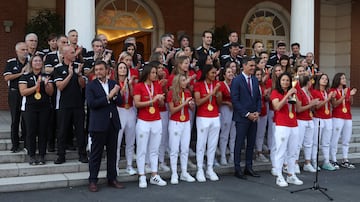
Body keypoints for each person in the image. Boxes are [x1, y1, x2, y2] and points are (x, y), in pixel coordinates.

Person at [86, 60, 125, 192]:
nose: (98, 72)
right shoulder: (91, 86)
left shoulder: (113, 83)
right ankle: (92, 180)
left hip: (112, 124)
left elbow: (120, 101)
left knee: (112, 153)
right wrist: (109, 96)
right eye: (96, 70)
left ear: (107, 70)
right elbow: (92, 104)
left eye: (101, 69)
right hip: (98, 125)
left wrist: (114, 96)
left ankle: (112, 178)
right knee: (96, 154)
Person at [53, 45, 88, 164]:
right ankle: (61, 156)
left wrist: (78, 75)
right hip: (64, 105)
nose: (75, 54)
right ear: (65, 54)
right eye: (72, 53)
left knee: (80, 131)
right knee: (62, 131)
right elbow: (60, 87)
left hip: (78, 104)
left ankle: (83, 155)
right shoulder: (58, 68)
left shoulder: (79, 66)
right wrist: (69, 75)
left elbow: (83, 85)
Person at [133, 64, 167, 188]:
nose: (155, 74)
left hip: (156, 120)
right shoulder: (139, 86)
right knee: (141, 150)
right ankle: (141, 175)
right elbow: (137, 103)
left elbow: (161, 104)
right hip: (143, 121)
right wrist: (153, 100)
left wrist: (161, 99)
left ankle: (154, 175)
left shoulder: (157, 85)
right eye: (153, 72)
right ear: (147, 73)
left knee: (154, 149)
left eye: (155, 72)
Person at [19, 55, 53, 165]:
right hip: (30, 107)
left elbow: (50, 93)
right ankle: (32, 155)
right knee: (31, 132)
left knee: (43, 131)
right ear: (31, 63)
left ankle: (42, 155)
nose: (38, 62)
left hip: (44, 107)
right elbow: (23, 92)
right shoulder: (25, 76)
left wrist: (46, 85)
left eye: (39, 61)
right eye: (35, 61)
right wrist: (36, 86)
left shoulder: (46, 76)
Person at [231, 57, 261, 180]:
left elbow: (258, 98)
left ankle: (249, 167)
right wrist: (247, 114)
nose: (253, 68)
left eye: (254, 66)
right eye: (251, 66)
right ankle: (237, 168)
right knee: (239, 143)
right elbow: (235, 100)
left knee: (251, 144)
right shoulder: (237, 80)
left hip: (254, 117)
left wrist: (257, 112)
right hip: (242, 118)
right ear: (244, 66)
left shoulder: (254, 80)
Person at [270, 72, 303, 187]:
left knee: (293, 151)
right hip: (282, 125)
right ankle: (279, 176)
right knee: (281, 151)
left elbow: (298, 109)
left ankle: (291, 174)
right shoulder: (275, 92)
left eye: (288, 80)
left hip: (294, 124)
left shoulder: (293, 92)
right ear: (279, 81)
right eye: (283, 80)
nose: (285, 82)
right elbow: (277, 107)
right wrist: (287, 95)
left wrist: (295, 96)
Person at [194, 64, 221, 182]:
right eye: (212, 73)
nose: (215, 75)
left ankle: (210, 168)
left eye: (215, 73)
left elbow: (219, 102)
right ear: (206, 74)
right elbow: (198, 102)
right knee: (201, 143)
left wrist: (218, 94)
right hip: (202, 116)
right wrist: (212, 93)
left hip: (215, 116)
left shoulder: (216, 84)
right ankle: (200, 169)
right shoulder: (198, 85)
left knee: (213, 144)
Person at [167, 74, 196, 184]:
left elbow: (191, 108)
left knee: (184, 149)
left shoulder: (187, 92)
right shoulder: (171, 93)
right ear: (178, 81)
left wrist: (191, 105)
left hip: (186, 122)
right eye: (183, 80)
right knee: (174, 150)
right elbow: (172, 110)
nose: (186, 82)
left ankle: (184, 172)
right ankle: (174, 173)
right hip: (175, 122)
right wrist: (184, 103)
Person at [3, 42, 28, 153]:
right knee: (15, 119)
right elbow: (7, 77)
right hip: (15, 93)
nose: (25, 51)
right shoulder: (11, 62)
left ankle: (26, 141)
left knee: (26, 119)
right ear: (17, 51)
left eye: (26, 49)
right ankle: (15, 144)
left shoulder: (30, 62)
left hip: (27, 93)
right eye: (23, 49)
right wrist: (20, 73)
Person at [330, 73, 357, 169]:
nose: (344, 79)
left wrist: (350, 95)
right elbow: (335, 104)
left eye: (345, 78)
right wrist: (344, 95)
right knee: (335, 138)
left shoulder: (347, 89)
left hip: (347, 116)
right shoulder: (333, 90)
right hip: (337, 116)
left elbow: (351, 102)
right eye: (342, 78)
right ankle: (333, 159)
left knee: (346, 139)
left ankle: (345, 159)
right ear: (338, 79)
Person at [115, 62, 137, 176]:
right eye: (121, 68)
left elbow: (133, 95)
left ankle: (129, 166)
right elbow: (119, 95)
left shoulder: (130, 82)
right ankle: (115, 166)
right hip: (120, 111)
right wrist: (124, 86)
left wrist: (131, 85)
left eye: (125, 68)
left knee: (130, 141)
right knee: (117, 141)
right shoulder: (114, 82)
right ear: (117, 70)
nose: (123, 70)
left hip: (130, 110)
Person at [311, 74, 336, 171]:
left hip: (328, 118)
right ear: (319, 80)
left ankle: (326, 161)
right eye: (323, 78)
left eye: (326, 79)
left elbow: (333, 104)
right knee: (316, 142)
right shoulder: (314, 92)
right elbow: (316, 107)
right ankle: (314, 162)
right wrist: (328, 98)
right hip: (318, 118)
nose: (325, 80)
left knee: (326, 141)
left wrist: (332, 98)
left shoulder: (327, 91)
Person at [295, 76, 319, 173]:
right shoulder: (299, 92)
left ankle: (307, 163)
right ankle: (295, 163)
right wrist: (311, 104)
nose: (312, 83)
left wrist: (313, 104)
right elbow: (299, 109)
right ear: (307, 82)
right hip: (301, 120)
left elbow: (311, 107)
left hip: (309, 119)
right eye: (310, 81)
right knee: (298, 143)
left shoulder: (309, 92)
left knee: (309, 143)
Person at [218, 63, 236, 165]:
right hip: (225, 109)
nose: (231, 73)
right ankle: (223, 156)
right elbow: (218, 100)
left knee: (234, 134)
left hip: (235, 110)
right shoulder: (221, 84)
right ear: (224, 75)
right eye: (228, 72)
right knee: (225, 134)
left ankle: (232, 156)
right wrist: (226, 103)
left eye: (231, 72)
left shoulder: (235, 83)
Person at [254, 67, 270, 163]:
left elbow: (266, 98)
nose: (259, 77)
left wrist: (266, 95)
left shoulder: (262, 85)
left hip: (263, 110)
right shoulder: (252, 84)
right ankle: (257, 152)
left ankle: (259, 152)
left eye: (260, 75)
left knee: (261, 133)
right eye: (257, 75)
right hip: (255, 112)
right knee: (255, 133)